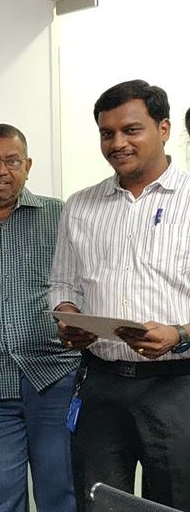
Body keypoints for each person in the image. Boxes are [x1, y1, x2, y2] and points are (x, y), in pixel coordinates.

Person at [50, 80, 190, 511]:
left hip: (177, 385)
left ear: (164, 129)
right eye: (107, 133)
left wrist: (180, 334)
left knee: (176, 502)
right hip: (101, 386)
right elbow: (63, 286)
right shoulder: (80, 206)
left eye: (131, 130)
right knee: (98, 502)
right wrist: (69, 318)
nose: (117, 143)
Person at [0, 123, 77, 512]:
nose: (1, 170)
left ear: (27, 167)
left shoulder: (60, 215)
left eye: (12, 161)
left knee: (61, 494)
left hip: (56, 377)